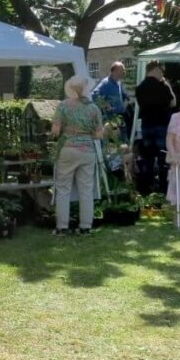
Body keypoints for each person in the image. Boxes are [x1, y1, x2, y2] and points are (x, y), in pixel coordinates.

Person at [50, 75, 103, 236]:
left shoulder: (64, 106)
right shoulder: (93, 108)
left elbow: (55, 131)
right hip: (87, 150)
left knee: (63, 189)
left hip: (67, 149)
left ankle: (62, 227)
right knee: (86, 190)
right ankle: (85, 226)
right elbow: (99, 134)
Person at [134, 61, 176, 193]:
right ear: (156, 69)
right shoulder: (163, 86)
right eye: (161, 71)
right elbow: (173, 102)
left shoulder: (139, 87)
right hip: (162, 125)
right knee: (163, 157)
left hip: (147, 126)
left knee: (148, 158)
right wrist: (167, 84)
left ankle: (147, 188)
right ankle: (163, 188)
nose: (162, 73)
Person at [91, 61, 131, 138]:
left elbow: (126, 96)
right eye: (122, 70)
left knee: (123, 143)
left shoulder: (118, 83)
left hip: (120, 119)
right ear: (114, 71)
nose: (124, 72)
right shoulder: (106, 83)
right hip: (110, 121)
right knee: (114, 144)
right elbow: (93, 95)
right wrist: (105, 104)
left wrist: (125, 103)